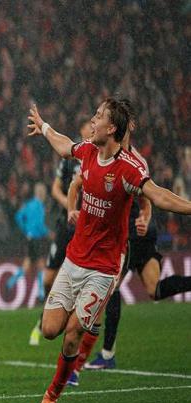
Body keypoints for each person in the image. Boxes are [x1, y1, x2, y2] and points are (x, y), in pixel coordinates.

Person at [27, 98, 191, 403]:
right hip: (74, 260)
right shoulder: (88, 151)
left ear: (111, 128)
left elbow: (158, 195)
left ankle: (52, 395)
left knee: (73, 334)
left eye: (98, 116)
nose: (92, 119)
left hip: (103, 268)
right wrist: (44, 126)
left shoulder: (129, 168)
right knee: (49, 330)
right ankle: (86, 330)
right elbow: (64, 147)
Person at [65, 99, 191, 384]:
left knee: (108, 291)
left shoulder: (135, 163)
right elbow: (76, 185)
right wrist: (72, 209)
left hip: (133, 236)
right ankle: (103, 355)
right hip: (129, 236)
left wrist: (145, 217)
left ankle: (90, 361)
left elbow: (149, 198)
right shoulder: (99, 154)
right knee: (154, 290)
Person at [28, 118, 91, 346]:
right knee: (47, 279)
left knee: (81, 280)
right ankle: (47, 313)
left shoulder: (100, 157)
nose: (91, 127)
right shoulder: (72, 157)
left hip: (86, 227)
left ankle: (69, 324)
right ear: (81, 129)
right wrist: (69, 205)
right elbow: (55, 188)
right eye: (88, 125)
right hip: (66, 224)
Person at [5, 182, 49, 301]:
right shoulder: (40, 206)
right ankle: (41, 294)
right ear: (41, 193)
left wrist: (25, 229)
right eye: (44, 192)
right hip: (36, 238)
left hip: (29, 238)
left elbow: (18, 216)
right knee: (41, 265)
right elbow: (40, 224)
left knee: (28, 264)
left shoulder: (28, 204)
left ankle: (11, 282)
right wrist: (47, 233)